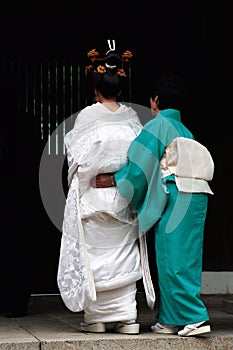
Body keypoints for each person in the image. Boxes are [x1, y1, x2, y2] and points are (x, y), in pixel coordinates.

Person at [93, 73, 214, 337]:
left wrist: (115, 178)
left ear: (155, 100)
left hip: (178, 192)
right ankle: (171, 319)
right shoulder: (185, 129)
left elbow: (138, 166)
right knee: (178, 255)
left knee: (174, 258)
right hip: (196, 194)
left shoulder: (158, 125)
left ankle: (195, 317)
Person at [57, 40, 155, 335]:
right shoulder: (133, 119)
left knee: (96, 254)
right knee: (122, 252)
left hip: (94, 194)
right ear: (121, 90)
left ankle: (96, 318)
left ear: (95, 90)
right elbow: (141, 158)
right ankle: (127, 317)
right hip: (123, 194)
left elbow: (77, 159)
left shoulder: (88, 116)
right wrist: (120, 178)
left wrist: (90, 178)